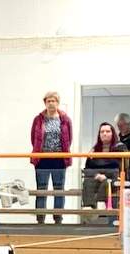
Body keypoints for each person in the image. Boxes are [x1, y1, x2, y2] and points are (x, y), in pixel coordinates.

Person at [29, 91, 73, 224]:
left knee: (59, 189)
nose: (51, 103)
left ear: (58, 103)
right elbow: (33, 138)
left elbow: (69, 139)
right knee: (41, 189)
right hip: (42, 158)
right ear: (45, 103)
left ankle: (58, 217)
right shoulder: (38, 119)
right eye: (48, 101)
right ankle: (40, 217)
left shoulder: (65, 119)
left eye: (53, 101)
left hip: (59, 158)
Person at [80, 122, 128, 224]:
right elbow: (87, 167)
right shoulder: (94, 149)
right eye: (102, 132)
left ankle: (100, 205)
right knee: (87, 182)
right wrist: (97, 175)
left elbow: (121, 167)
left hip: (114, 178)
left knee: (107, 182)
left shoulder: (120, 147)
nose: (104, 134)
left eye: (107, 131)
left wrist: (104, 175)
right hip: (96, 177)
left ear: (112, 133)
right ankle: (89, 208)